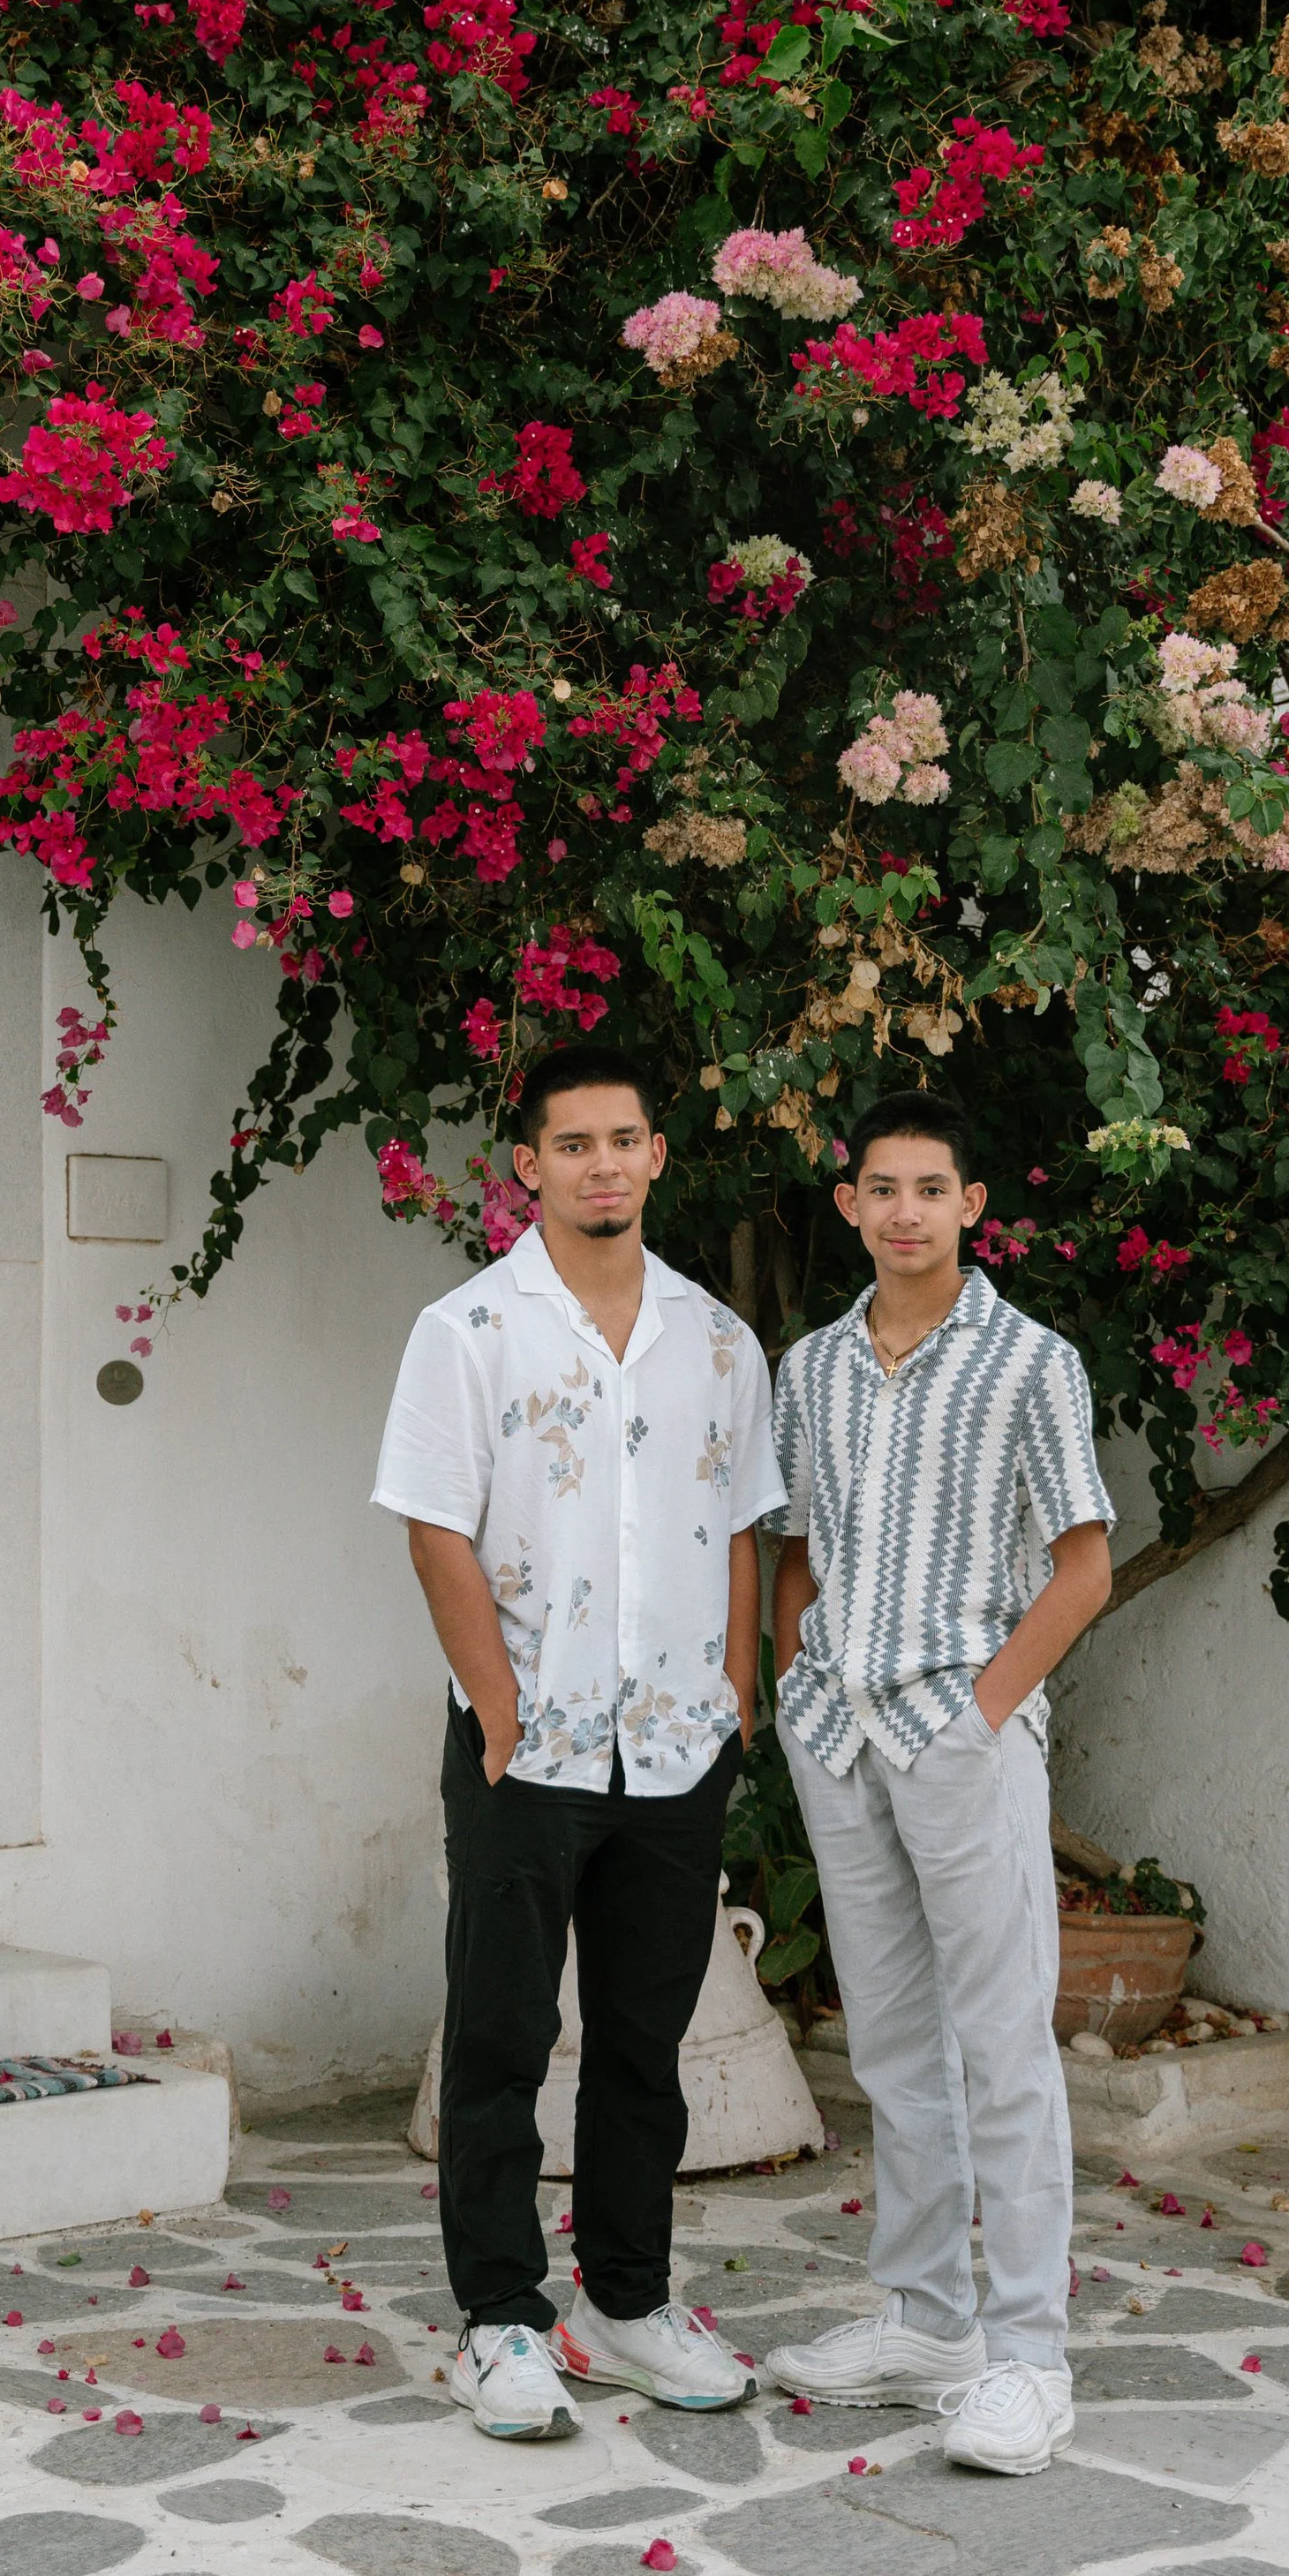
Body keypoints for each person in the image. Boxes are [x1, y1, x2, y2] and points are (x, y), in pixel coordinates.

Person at [373, 1046, 783, 2442]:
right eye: (574, 1143)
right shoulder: (468, 1332)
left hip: (675, 1748)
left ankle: (626, 2300)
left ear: (658, 1156)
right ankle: (500, 2320)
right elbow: (434, 1524)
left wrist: (738, 1687)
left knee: (645, 2045)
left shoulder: (720, 1343)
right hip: (523, 1749)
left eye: (626, 1140)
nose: (603, 1164)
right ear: (529, 1165)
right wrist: (495, 1705)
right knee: (496, 2038)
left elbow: (741, 1525)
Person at [761, 1091, 1115, 2476]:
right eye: (880, 1186)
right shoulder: (813, 1370)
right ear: (848, 1204)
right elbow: (799, 1546)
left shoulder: (1033, 1363)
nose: (904, 1208)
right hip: (839, 1735)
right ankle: (927, 2321)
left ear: (975, 1206)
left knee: (1005, 2046)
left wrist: (983, 1711)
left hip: (962, 1737)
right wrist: (801, 1672)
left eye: (932, 1187)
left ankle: (1028, 2355)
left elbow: (1081, 1565)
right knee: (895, 2048)